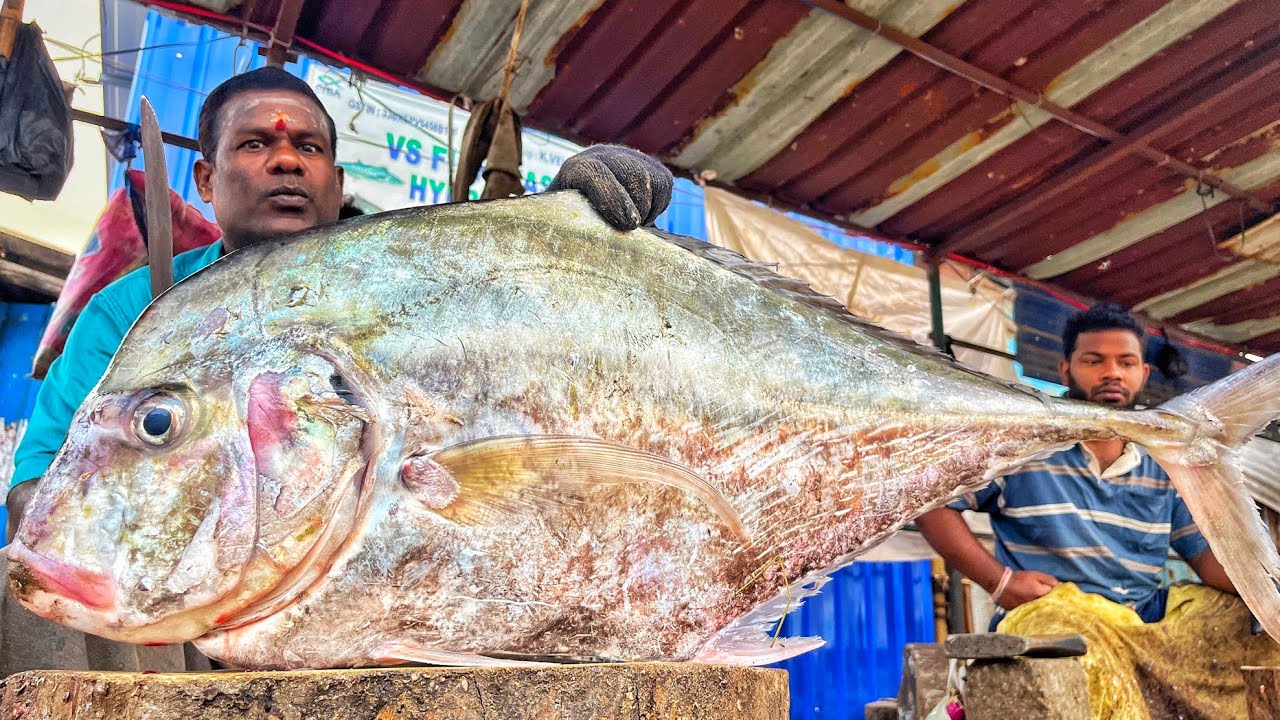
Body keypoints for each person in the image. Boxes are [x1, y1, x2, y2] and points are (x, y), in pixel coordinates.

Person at [6, 67, 674, 537]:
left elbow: (529, 333)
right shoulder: (128, 313)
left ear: (338, 180)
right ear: (205, 179)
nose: (287, 161)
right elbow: (35, 495)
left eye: (308, 147)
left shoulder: (412, 279)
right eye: (255, 143)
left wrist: (570, 233)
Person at [917, 303, 1279, 718]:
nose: (1112, 373)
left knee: (1255, 625)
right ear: (1065, 370)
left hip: (1143, 616)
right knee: (1081, 647)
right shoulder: (1025, 446)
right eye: (1094, 361)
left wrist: (1266, 591)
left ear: (1144, 373)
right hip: (1053, 612)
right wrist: (1000, 583)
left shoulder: (1163, 460)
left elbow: (1202, 554)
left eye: (1126, 362)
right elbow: (934, 506)